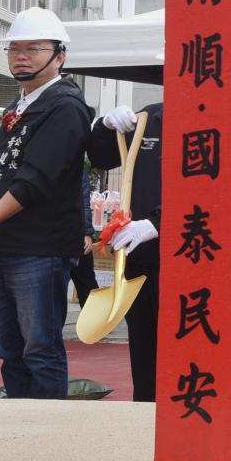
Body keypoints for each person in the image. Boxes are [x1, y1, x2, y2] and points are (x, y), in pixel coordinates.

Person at [0, 9, 93, 399]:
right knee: (8, 346)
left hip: (38, 248)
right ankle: (20, 421)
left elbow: (35, 181)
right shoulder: (20, 103)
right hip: (4, 246)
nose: (21, 56)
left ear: (60, 55)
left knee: (39, 346)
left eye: (33, 48)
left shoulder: (65, 105)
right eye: (14, 49)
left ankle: (46, 430)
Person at [87, 102, 163, 401]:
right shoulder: (150, 117)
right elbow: (103, 158)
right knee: (144, 342)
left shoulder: (220, 117)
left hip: (190, 253)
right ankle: (145, 410)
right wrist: (104, 127)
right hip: (139, 253)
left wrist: (159, 221)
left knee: (183, 344)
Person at [69, 168, 98, 306]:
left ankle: (96, 324)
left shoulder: (77, 167)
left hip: (76, 233)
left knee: (86, 282)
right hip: (55, 236)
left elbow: (84, 201)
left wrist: (86, 233)